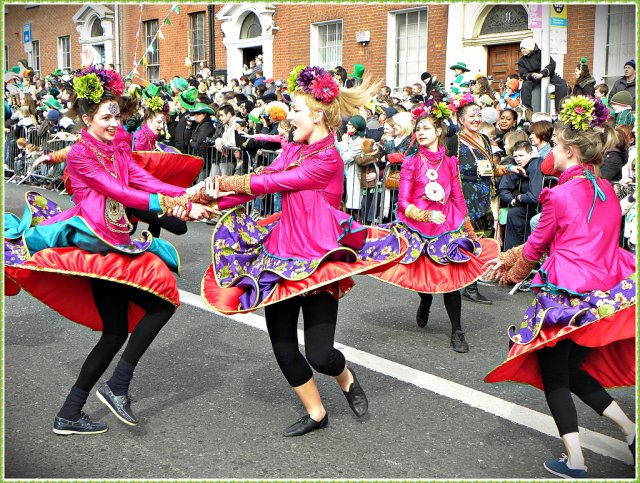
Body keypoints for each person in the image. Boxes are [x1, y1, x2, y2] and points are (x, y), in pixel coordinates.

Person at [196, 65, 406, 437]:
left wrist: (222, 180)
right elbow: (253, 188)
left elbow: (273, 181)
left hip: (319, 258)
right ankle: (316, 412)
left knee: (320, 355)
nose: (287, 116)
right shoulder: (293, 147)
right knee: (282, 346)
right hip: (280, 253)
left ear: (317, 115)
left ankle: (345, 378)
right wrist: (205, 196)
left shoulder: (327, 160)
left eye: (294, 109)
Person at [4, 67, 215, 435]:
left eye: (117, 114)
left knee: (116, 332)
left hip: (116, 236)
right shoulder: (82, 155)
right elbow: (122, 193)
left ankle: (70, 413)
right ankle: (116, 387)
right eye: (106, 116)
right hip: (97, 242)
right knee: (162, 300)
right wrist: (172, 203)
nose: (115, 122)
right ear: (87, 119)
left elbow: (137, 177)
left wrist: (183, 195)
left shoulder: (117, 142)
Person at [484, 95, 636, 478]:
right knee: (572, 371)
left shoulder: (559, 193)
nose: (550, 151)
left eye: (554, 146)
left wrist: (510, 271)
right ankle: (632, 433)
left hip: (563, 297)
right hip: (600, 297)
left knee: (555, 376)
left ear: (569, 151)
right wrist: (510, 259)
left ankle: (577, 461)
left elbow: (537, 246)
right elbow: (575, 240)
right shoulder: (607, 193)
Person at [370, 102, 499, 352]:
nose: (420, 132)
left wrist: (469, 231)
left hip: (447, 226)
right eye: (418, 128)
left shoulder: (450, 162)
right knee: (423, 279)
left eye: (426, 128)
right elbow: (402, 203)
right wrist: (425, 214)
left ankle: (457, 331)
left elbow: (458, 197)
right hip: (419, 226)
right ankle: (425, 302)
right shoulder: (411, 162)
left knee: (450, 282)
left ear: (438, 131)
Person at [446, 95, 525, 304]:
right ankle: (468, 286)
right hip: (464, 195)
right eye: (472, 115)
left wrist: (508, 168)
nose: (476, 119)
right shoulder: (454, 142)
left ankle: (469, 283)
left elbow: (490, 169)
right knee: (469, 238)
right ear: (461, 119)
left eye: (479, 115)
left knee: (482, 239)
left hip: (484, 196)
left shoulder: (485, 141)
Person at [498, 140, 544, 250]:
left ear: (530, 154)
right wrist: (512, 200)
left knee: (515, 214)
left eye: (521, 155)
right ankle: (510, 255)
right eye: (515, 156)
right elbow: (503, 188)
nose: (518, 159)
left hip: (537, 207)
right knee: (513, 213)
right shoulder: (515, 167)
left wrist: (519, 197)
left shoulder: (536, 164)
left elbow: (534, 196)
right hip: (524, 206)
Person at [517, 37, 568, 113]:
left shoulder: (542, 54)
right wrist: (531, 75)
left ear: (530, 47)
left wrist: (542, 74)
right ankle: (527, 111)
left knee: (562, 83)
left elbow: (552, 64)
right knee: (525, 86)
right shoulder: (521, 61)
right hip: (533, 78)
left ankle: (560, 110)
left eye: (524, 48)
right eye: (521, 49)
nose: (522, 51)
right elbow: (523, 74)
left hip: (547, 75)